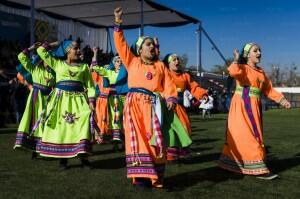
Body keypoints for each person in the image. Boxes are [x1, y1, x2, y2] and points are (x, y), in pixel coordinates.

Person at [113, 7, 177, 188]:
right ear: (139, 49)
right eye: (147, 44)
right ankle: (140, 177)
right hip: (134, 105)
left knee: (155, 139)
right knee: (137, 139)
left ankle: (155, 174)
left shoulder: (160, 66)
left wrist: (171, 98)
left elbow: (168, 85)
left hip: (154, 106)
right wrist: (118, 23)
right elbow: (121, 44)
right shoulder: (132, 61)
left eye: (152, 45)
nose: (151, 47)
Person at [218, 43, 291, 180]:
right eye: (255, 50)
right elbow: (233, 72)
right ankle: (258, 168)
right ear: (247, 55)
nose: (259, 53)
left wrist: (282, 100)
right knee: (249, 136)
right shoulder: (243, 68)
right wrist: (236, 59)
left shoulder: (261, 72)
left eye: (260, 50)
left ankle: (232, 165)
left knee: (249, 135)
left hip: (254, 105)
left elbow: (268, 89)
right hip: (242, 105)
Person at [35, 40, 95, 169]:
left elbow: (90, 86)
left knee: (82, 125)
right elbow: (40, 51)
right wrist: (52, 44)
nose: (79, 51)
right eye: (76, 48)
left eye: (79, 48)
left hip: (79, 100)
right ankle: (63, 159)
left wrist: (91, 101)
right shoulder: (57, 63)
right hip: (61, 100)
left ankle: (83, 157)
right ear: (67, 51)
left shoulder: (84, 67)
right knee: (63, 128)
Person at [14, 42, 55, 159]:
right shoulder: (35, 69)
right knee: (33, 121)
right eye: (45, 59)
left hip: (48, 100)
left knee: (46, 122)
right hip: (35, 99)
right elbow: (21, 57)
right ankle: (33, 149)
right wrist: (31, 48)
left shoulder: (54, 73)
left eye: (49, 59)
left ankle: (44, 147)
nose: (47, 62)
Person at [163, 53, 207, 162]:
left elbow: (194, 87)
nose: (177, 61)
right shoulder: (164, 73)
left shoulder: (185, 76)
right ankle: (170, 155)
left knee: (185, 127)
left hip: (179, 107)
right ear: (168, 63)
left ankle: (183, 152)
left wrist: (203, 94)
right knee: (169, 131)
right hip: (167, 107)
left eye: (178, 59)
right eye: (173, 59)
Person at [91, 49, 129, 151]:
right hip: (114, 98)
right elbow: (96, 68)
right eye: (117, 61)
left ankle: (125, 143)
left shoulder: (127, 71)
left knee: (125, 119)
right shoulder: (109, 72)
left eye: (121, 61)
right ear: (113, 63)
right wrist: (95, 55)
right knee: (115, 117)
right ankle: (115, 142)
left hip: (125, 98)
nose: (119, 62)